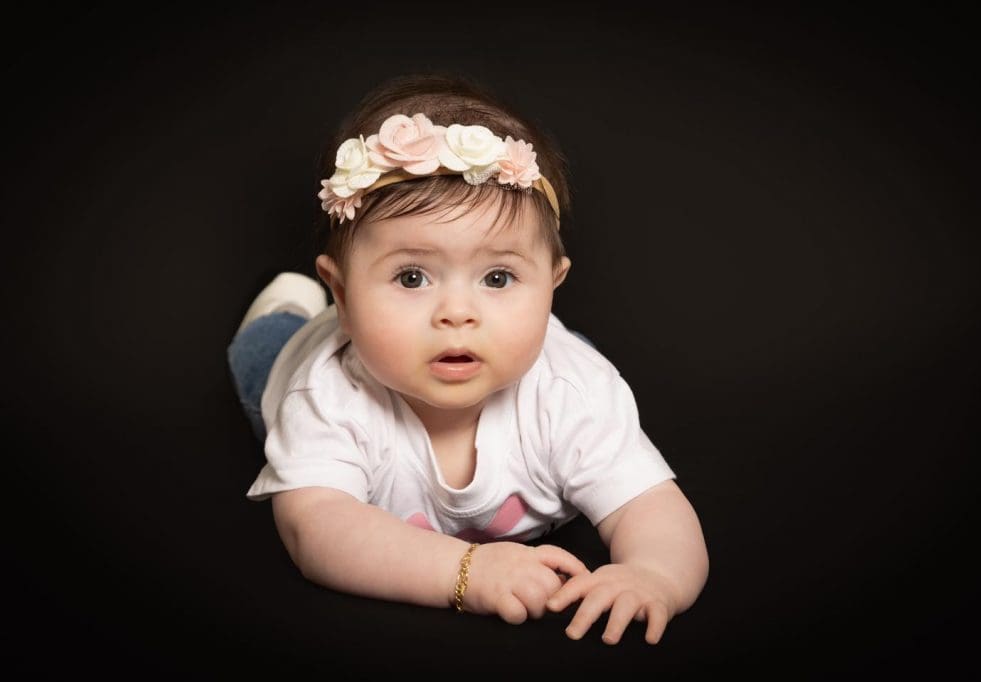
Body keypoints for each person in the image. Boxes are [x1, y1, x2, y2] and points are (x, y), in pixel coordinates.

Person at [227, 73, 709, 645]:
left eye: (498, 277)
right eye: (412, 277)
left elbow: (651, 504)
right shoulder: (327, 395)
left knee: (570, 366)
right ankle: (285, 304)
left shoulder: (570, 394)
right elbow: (318, 530)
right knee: (258, 356)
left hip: (548, 366)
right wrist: (464, 573)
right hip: (291, 361)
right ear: (343, 294)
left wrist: (653, 574)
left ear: (554, 285)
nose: (457, 313)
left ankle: (530, 325)